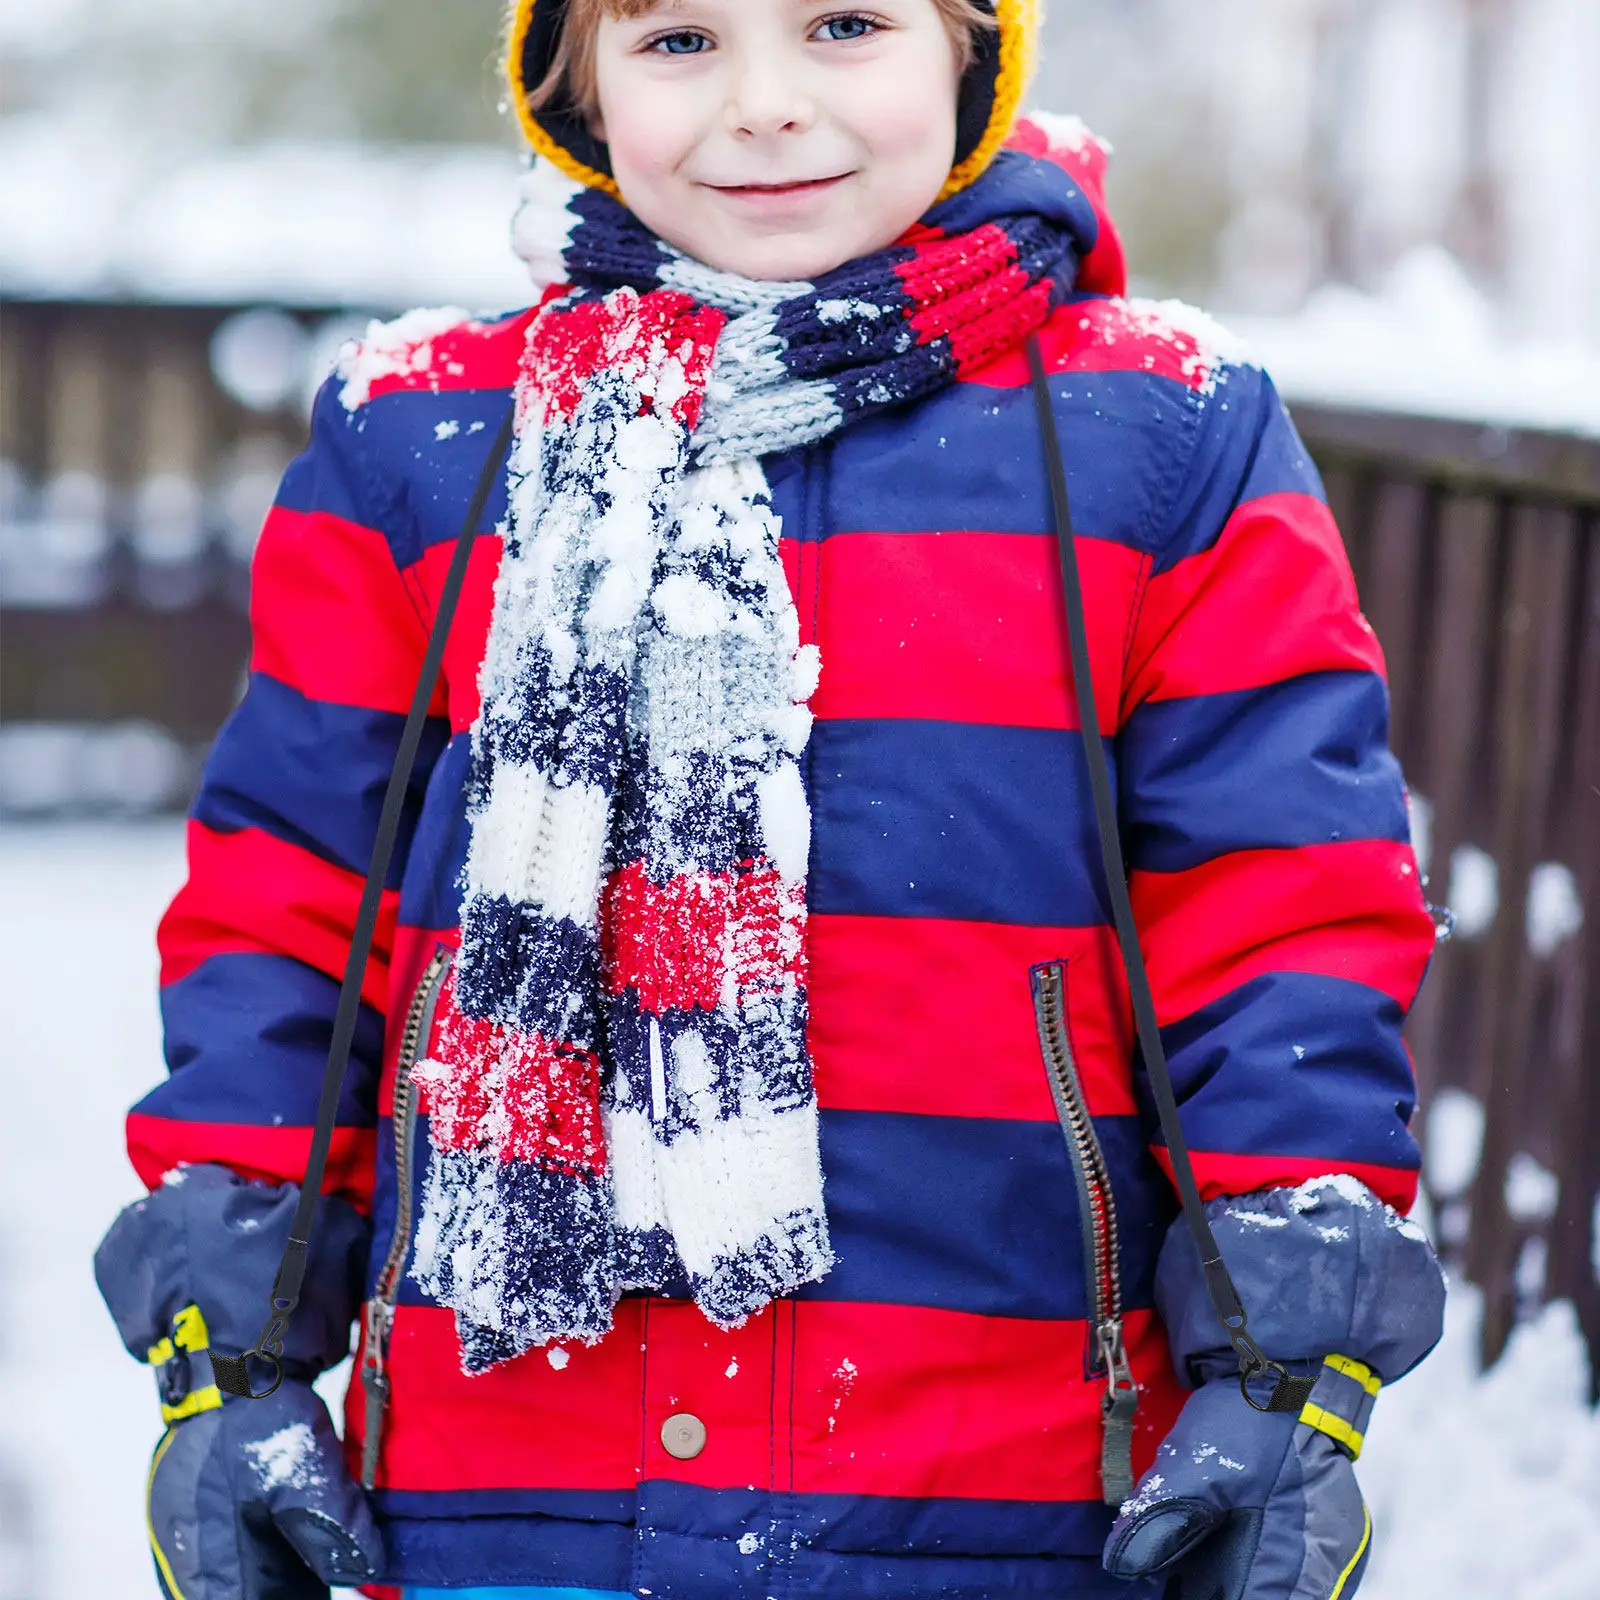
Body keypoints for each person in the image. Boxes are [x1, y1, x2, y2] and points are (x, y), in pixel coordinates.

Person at [93, 1, 1448, 1597]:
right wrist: (227, 1357)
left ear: (970, 53)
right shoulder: (424, 440)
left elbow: (1280, 905)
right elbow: (291, 915)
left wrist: (1288, 1371)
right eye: (678, 38)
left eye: (844, 24)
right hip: (507, 1489)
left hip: (1007, 1486)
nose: (766, 105)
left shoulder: (1164, 435)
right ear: (571, 79)